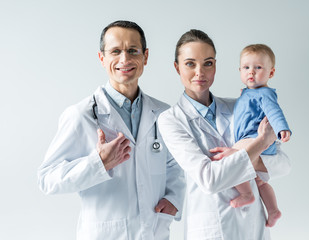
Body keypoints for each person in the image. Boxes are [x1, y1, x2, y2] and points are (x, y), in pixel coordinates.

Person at [38, 20, 185, 240]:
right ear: (102, 58)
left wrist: (174, 198)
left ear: (145, 56)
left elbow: (176, 164)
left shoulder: (164, 114)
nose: (124, 59)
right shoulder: (82, 115)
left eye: (132, 50)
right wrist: (98, 163)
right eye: (115, 51)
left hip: (154, 231)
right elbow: (47, 179)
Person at [158, 29, 291, 239]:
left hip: (254, 226)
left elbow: (283, 163)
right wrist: (260, 144)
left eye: (208, 63)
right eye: (190, 63)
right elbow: (209, 179)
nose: (200, 72)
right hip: (212, 227)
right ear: (177, 67)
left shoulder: (240, 106)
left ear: (215, 66)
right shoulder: (171, 120)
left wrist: (243, 156)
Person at [223, 44, 292, 227]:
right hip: (251, 141)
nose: (251, 72)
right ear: (239, 70)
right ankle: (273, 210)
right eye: (246, 68)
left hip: (256, 138)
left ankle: (246, 194)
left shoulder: (264, 93)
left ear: (271, 72)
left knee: (230, 157)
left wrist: (282, 129)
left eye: (258, 67)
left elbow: (274, 111)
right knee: (259, 181)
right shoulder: (248, 93)